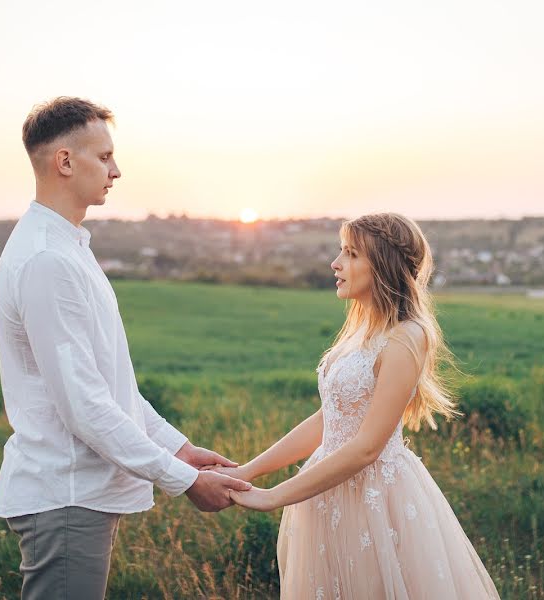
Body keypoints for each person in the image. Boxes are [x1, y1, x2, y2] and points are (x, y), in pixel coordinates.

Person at [0, 96, 251, 600]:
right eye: (104, 157)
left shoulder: (70, 249)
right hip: (65, 495)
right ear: (65, 162)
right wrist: (182, 480)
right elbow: (84, 407)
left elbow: (112, 387)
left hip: (78, 495)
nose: (117, 170)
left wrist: (178, 448)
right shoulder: (47, 260)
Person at [214, 213, 501, 598]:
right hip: (327, 489)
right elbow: (327, 420)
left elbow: (367, 447)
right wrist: (247, 471)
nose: (336, 263)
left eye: (350, 254)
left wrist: (274, 496)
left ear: (382, 263)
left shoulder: (405, 337)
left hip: (376, 501)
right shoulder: (363, 331)